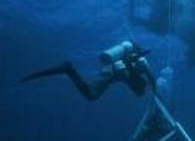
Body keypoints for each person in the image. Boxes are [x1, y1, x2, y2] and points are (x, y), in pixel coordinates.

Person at [19, 41, 156, 101]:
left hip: (112, 68)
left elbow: (151, 82)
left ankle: (68, 69)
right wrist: (156, 95)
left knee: (91, 95)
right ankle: (68, 69)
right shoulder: (142, 66)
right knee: (91, 95)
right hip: (116, 69)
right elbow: (150, 82)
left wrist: (154, 91)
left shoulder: (138, 67)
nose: (138, 92)